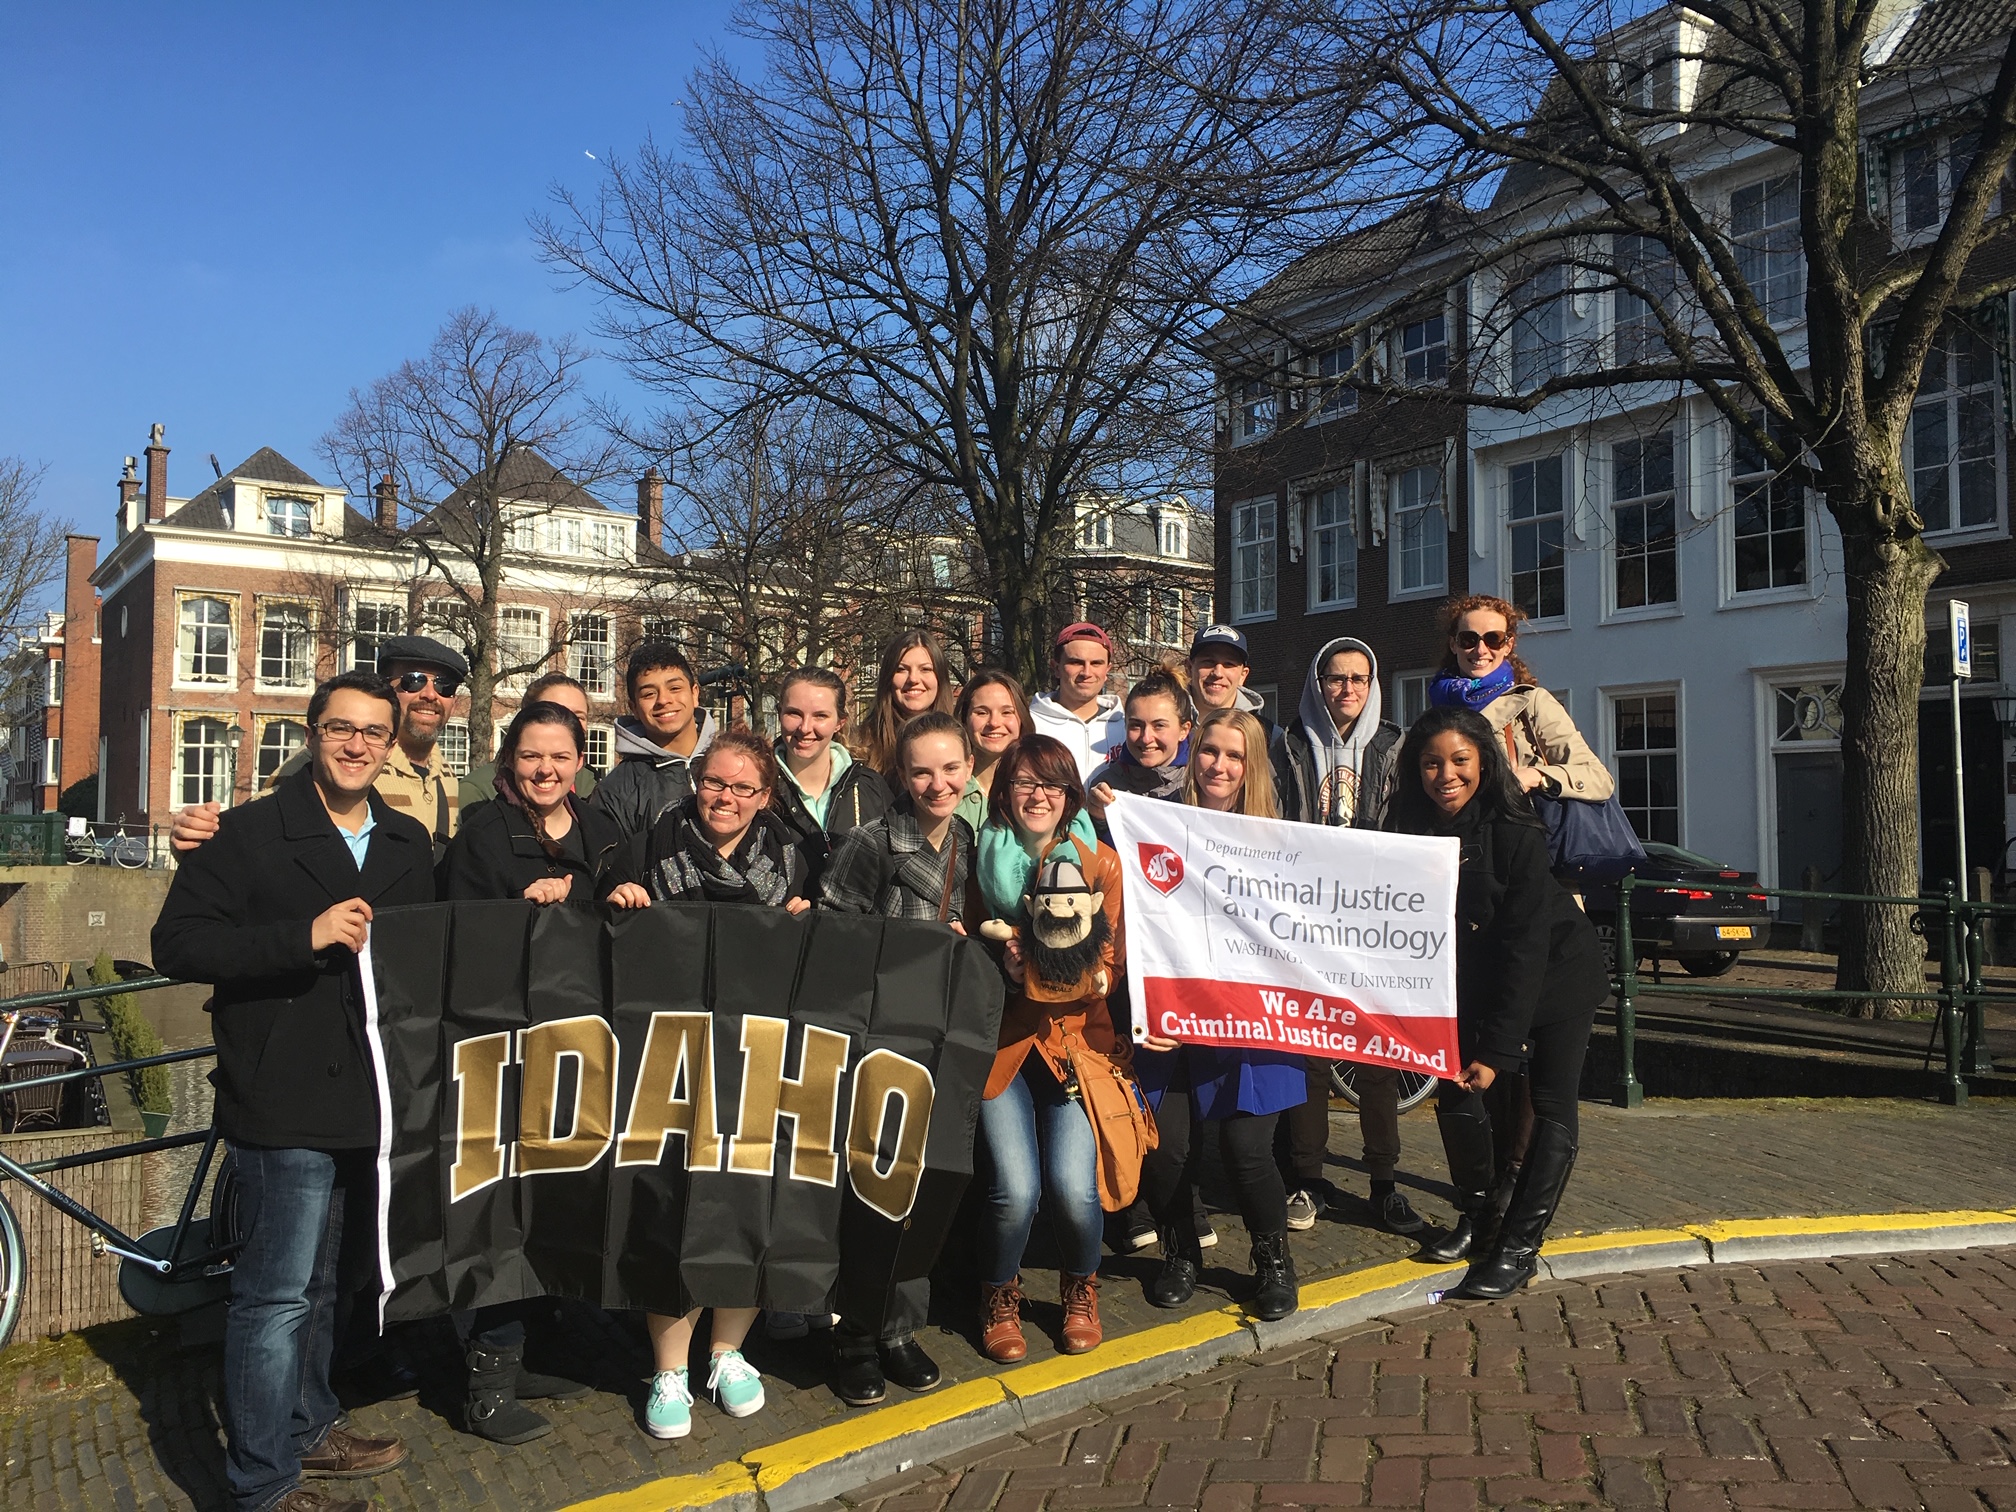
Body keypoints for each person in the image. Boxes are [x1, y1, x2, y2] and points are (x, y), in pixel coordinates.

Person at [152, 671, 436, 1512]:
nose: (356, 745)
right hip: (281, 1097)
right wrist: (300, 938)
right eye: (340, 728)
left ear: (391, 746)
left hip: (371, 1099)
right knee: (274, 1295)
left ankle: (309, 1427)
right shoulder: (242, 834)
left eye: (373, 733)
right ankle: (261, 1483)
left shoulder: (407, 843)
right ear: (311, 734)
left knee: (326, 1283)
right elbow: (178, 945)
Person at [602, 731, 813, 1438]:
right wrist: (619, 900)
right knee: (675, 1201)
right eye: (714, 783)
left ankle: (727, 1351)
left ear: (765, 796)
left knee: (749, 1197)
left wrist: (805, 927)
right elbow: (600, 933)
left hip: (757, 1054)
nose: (725, 798)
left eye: (742, 788)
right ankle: (669, 1367)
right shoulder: (649, 847)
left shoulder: (791, 859)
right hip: (671, 1055)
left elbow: (822, 957)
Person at [435, 700, 620, 1443]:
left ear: (581, 762)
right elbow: (455, 934)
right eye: (531, 756)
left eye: (559, 756)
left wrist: (615, 897)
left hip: (582, 1045)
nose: (545, 770)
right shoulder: (482, 835)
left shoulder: (605, 833)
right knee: (503, 1208)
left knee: (558, 1200)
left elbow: (630, 920)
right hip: (502, 1049)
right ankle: (486, 1383)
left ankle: (528, 1353)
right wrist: (519, 907)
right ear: (511, 761)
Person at [1386, 705, 1607, 1298]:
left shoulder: (1515, 829)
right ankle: (1480, 1219)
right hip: (1475, 980)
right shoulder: (1409, 826)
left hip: (1557, 976)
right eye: (1431, 763)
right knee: (1456, 1092)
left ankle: (1519, 1248)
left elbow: (1525, 943)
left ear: (1484, 760)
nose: (1446, 775)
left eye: (1460, 760)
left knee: (1551, 1106)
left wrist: (1500, 1046)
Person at [1428, 594, 1612, 1214]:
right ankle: (1481, 1191)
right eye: (1467, 638)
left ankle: (1516, 1179)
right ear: (1451, 642)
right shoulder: (1438, 704)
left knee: (1530, 1047)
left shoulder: (1531, 704)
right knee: (1480, 1045)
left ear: (1510, 647)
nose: (1479, 649)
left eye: (1493, 640)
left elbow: (1598, 777)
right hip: (1470, 892)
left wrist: (1539, 778)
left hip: (1536, 885)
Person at [817, 710, 976, 1405]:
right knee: (872, 1192)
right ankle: (854, 1334)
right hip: (879, 1043)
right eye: (922, 771)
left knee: (926, 1188)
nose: (937, 783)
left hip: (944, 1040)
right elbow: (832, 934)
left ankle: (899, 1330)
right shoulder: (870, 843)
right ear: (902, 777)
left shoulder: (972, 841)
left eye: (950, 768)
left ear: (969, 768)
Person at [1136, 707, 1304, 1323]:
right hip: (1175, 1015)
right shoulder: (1157, 824)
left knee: (1247, 1147)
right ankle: (1182, 1252)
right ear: (1192, 752)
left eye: (1234, 755)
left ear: (1251, 765)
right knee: (1169, 1145)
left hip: (1249, 1019)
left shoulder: (1280, 843)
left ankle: (1273, 1259)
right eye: (1210, 751)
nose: (1219, 765)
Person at [969, 735, 1127, 1364]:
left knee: (1073, 1186)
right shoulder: (981, 859)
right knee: (1014, 1189)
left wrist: (1082, 974)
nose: (1039, 797)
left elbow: (1112, 961)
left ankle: (1080, 1289)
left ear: (1070, 797)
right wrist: (1001, 967)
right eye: (1025, 784)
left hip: (1075, 1044)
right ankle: (998, 1295)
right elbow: (963, 944)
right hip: (1003, 1041)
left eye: (1053, 785)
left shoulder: (1100, 864)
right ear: (1004, 792)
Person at [1272, 638, 1422, 1239]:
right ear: (1317, 681)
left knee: (1376, 1058)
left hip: (1373, 921)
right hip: (1306, 921)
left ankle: (1383, 1183)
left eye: (1359, 679)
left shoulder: (1395, 743)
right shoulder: (1287, 744)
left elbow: (1410, 821)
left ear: (1373, 683)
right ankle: (1307, 1181)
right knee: (1309, 1055)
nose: (1347, 690)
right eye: (1336, 678)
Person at [170, 634, 470, 856]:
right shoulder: (337, 757)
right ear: (385, 687)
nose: (431, 694)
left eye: (445, 686)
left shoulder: (445, 773)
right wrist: (194, 836)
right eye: (414, 681)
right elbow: (254, 832)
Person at [769, 665, 891, 892]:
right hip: (783, 925)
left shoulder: (870, 787)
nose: (805, 728)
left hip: (854, 926)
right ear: (780, 713)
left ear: (839, 723)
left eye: (820, 716)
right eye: (794, 713)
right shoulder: (757, 786)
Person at [593, 642, 718, 836]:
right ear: (633, 708)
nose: (663, 700)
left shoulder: (733, 764)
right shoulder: (616, 790)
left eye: (675, 688)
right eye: (649, 694)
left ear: (695, 694)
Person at [459, 671, 599, 811]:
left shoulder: (594, 785)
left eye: (579, 716)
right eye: (552, 712)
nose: (567, 722)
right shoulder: (477, 790)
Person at [1086, 667, 1193, 832]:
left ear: (1184, 730)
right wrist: (1097, 819)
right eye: (1136, 725)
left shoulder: (1199, 784)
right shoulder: (1107, 785)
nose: (1146, 738)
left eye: (1159, 726)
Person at [1028, 623, 1126, 781]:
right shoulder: (1029, 724)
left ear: (1107, 670)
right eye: (1076, 662)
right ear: (1056, 668)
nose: (1086, 673)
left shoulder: (1127, 729)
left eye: (1096, 663)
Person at [858, 629, 958, 778]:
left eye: (925, 669)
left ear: (940, 678)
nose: (913, 679)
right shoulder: (859, 747)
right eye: (901, 669)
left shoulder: (962, 742)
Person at [953, 668, 1030, 834]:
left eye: (1006, 712)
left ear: (1022, 719)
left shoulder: (1038, 789)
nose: (994, 722)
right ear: (964, 719)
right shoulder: (946, 788)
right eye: (981, 712)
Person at [1187, 625, 1277, 744]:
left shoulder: (1270, 738)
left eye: (1229, 664)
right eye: (1208, 662)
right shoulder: (1161, 727)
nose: (1218, 673)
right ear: (1189, 668)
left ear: (1243, 675)